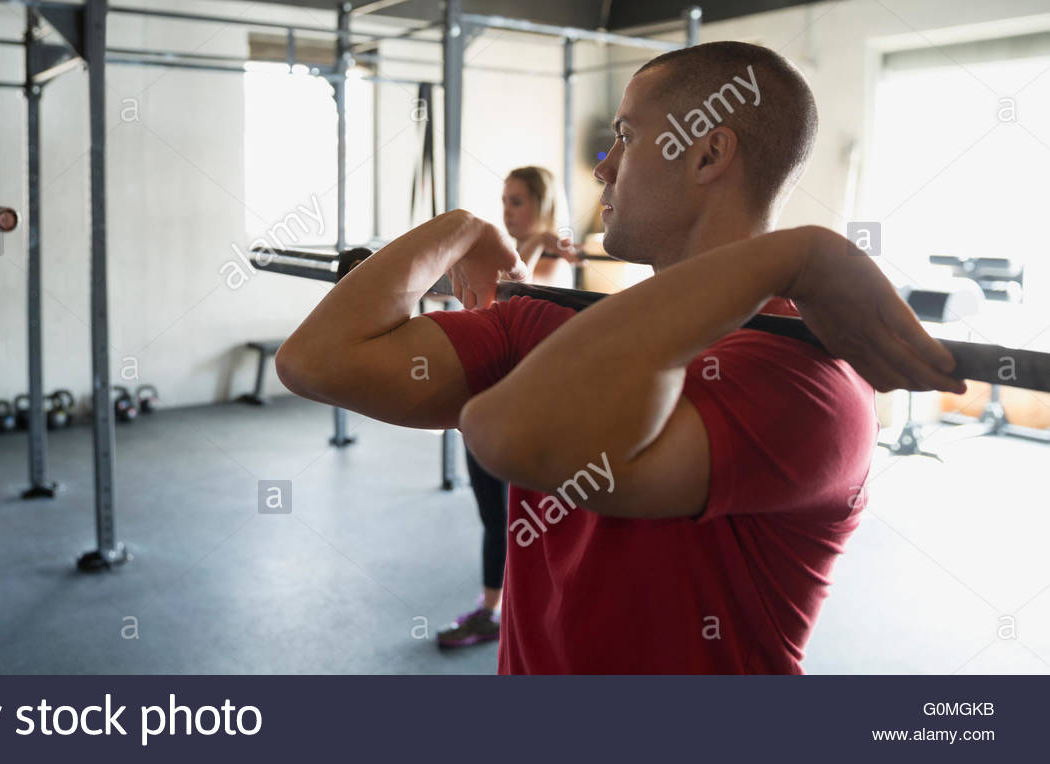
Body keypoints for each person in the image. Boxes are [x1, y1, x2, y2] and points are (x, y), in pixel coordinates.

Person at [276, 41, 964, 673]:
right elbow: (317, 360)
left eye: (626, 139)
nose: (604, 166)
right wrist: (460, 230)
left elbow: (507, 433)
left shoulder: (804, 385)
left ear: (706, 155)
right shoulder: (544, 323)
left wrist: (791, 255)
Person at [436, 165, 583, 648]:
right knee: (493, 514)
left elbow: (515, 292)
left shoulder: (551, 260)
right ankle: (496, 609)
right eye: (504, 201)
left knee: (520, 520)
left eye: (517, 201)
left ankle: (497, 612)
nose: (507, 211)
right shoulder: (515, 253)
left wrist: (541, 240)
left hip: (529, 414)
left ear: (542, 207)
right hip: (489, 402)